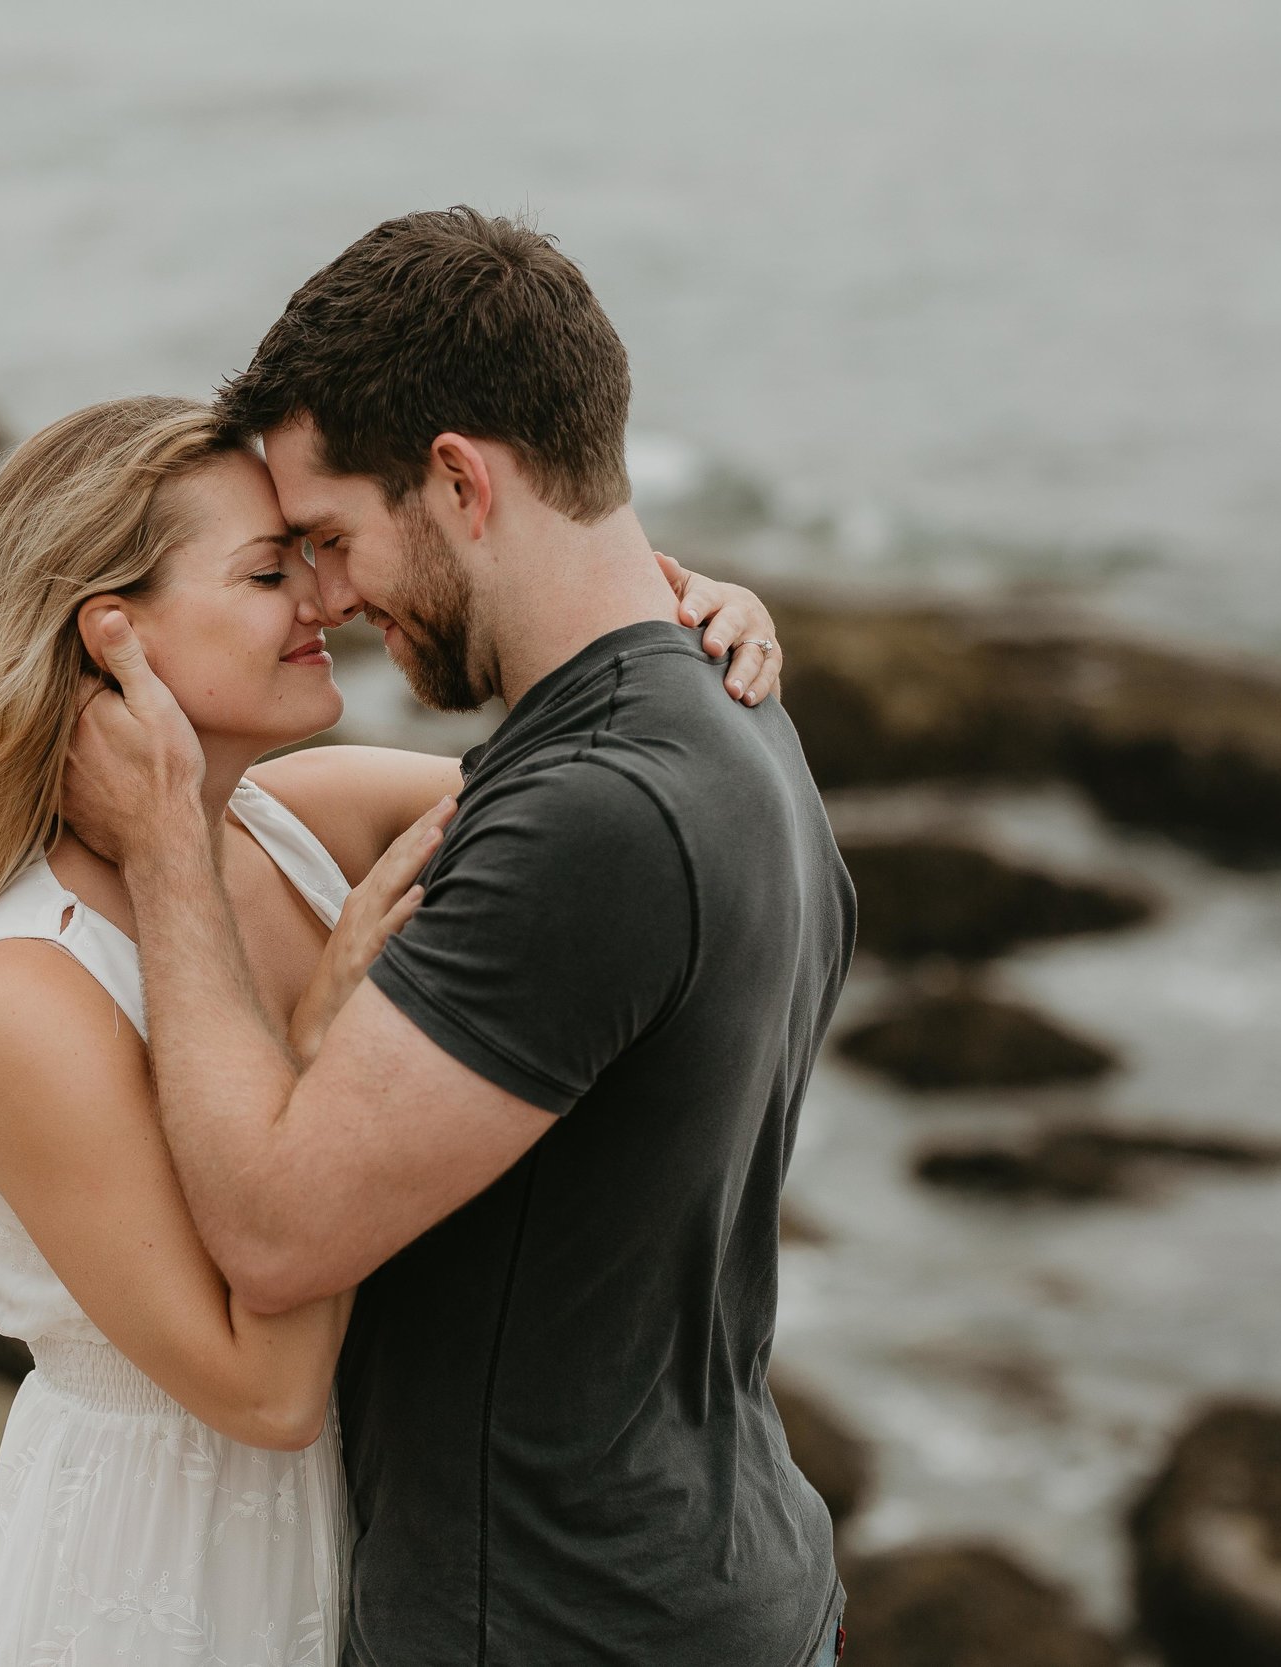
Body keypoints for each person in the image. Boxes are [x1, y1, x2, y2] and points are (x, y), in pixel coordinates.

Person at [0, 391, 785, 1666]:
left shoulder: (306, 821)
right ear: (115, 636)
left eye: (315, 556)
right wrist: (317, 1037)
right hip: (169, 1573)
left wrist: (689, 635)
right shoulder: (23, 988)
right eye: (270, 570)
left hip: (386, 1539)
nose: (324, 601)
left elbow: (619, 809)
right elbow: (264, 1392)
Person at [61, 208, 853, 1667]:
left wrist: (168, 846)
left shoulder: (594, 820)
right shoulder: (730, 719)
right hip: (707, 1583)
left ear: (459, 481)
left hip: (564, 1624)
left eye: (333, 538)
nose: (332, 596)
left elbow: (279, 1231)